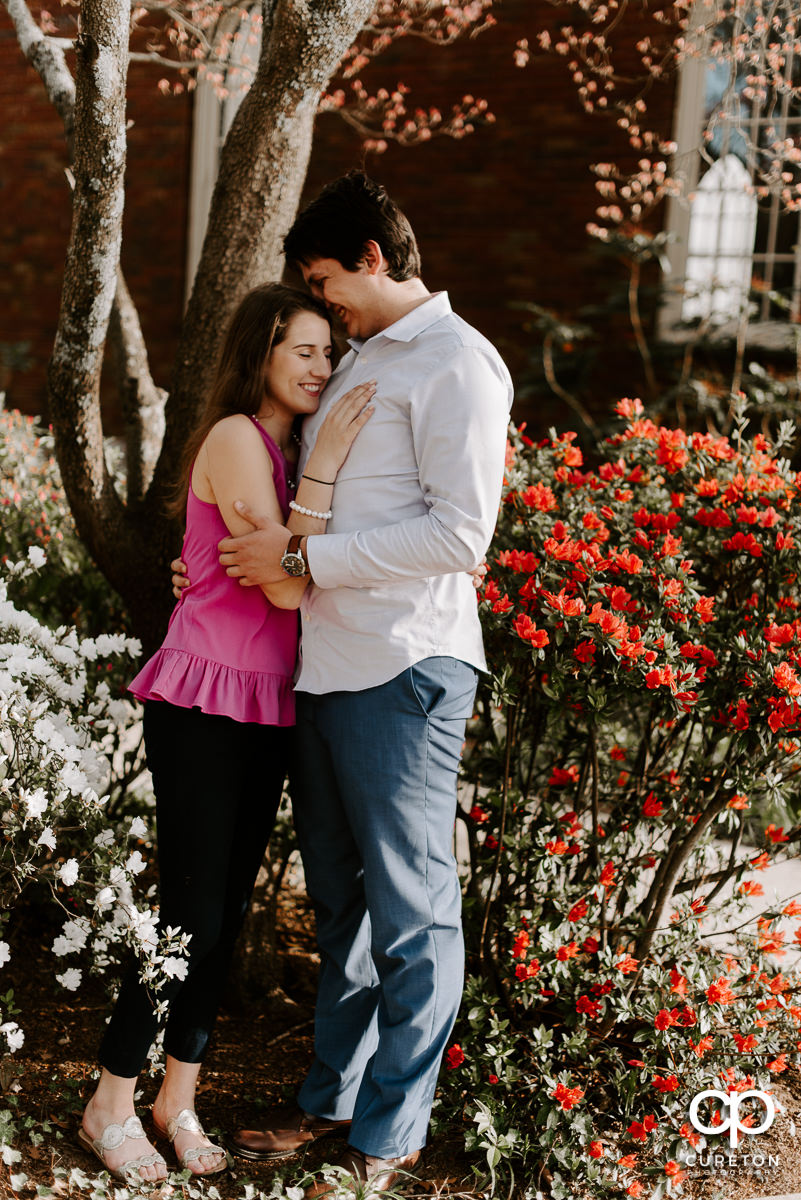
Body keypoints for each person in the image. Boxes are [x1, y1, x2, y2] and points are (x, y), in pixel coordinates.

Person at [216, 173, 513, 1196]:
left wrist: (306, 567)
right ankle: (331, 1101)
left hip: (405, 668)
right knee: (339, 902)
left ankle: (390, 1132)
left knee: (411, 909)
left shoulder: (459, 365)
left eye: (327, 279)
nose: (322, 300)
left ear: (376, 260)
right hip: (325, 668)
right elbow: (321, 500)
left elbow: (459, 534)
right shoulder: (358, 361)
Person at [78, 283, 374, 1184]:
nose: (323, 367)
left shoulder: (286, 455)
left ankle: (178, 1099)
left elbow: (286, 567)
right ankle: (109, 1101)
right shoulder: (240, 440)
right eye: (306, 352)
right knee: (188, 911)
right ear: (262, 356)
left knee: (224, 912)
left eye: (330, 352)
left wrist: (288, 541)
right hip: (204, 698)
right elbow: (286, 587)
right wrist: (305, 524)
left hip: (268, 701)